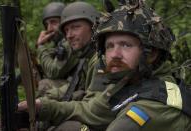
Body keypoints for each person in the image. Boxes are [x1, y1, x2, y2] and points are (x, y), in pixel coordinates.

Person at [18, 1, 191, 131]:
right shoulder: (129, 82)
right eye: (109, 46)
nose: (114, 54)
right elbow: (93, 110)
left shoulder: (147, 107)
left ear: (151, 53)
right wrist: (42, 106)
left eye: (126, 45)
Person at [37, 1, 99, 99]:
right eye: (66, 30)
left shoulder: (100, 58)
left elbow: (53, 72)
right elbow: (79, 85)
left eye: (76, 27)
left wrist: (40, 47)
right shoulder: (84, 53)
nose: (69, 36)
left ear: (94, 27)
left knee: (45, 85)